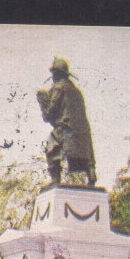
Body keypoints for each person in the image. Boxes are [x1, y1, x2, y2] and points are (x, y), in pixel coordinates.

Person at [36, 57, 97, 186]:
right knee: (86, 156)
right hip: (82, 131)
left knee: (51, 147)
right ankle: (90, 173)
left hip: (65, 128)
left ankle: (55, 179)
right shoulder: (77, 92)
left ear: (56, 74)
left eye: (53, 74)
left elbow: (50, 112)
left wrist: (42, 102)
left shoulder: (59, 88)